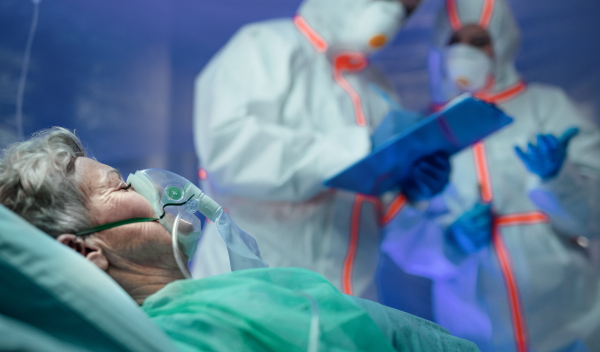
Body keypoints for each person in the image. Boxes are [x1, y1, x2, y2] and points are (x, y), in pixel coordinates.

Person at [0, 127, 479, 352]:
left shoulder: (218, 302)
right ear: (84, 250)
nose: (147, 187)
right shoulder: (195, 330)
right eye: (120, 186)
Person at [192, 0, 449, 301]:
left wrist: (408, 188)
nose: (393, 14)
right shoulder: (268, 46)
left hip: (349, 308)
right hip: (252, 293)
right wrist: (358, 148)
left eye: (406, 8)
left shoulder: (378, 88)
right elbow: (228, 152)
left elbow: (373, 206)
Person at [381, 0, 600, 352]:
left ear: (502, 42)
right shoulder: (422, 132)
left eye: (479, 40)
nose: (465, 53)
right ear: (438, 47)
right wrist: (450, 241)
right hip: (472, 321)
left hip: (569, 313)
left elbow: (591, 219)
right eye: (455, 41)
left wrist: (558, 179)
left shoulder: (547, 107)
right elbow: (397, 231)